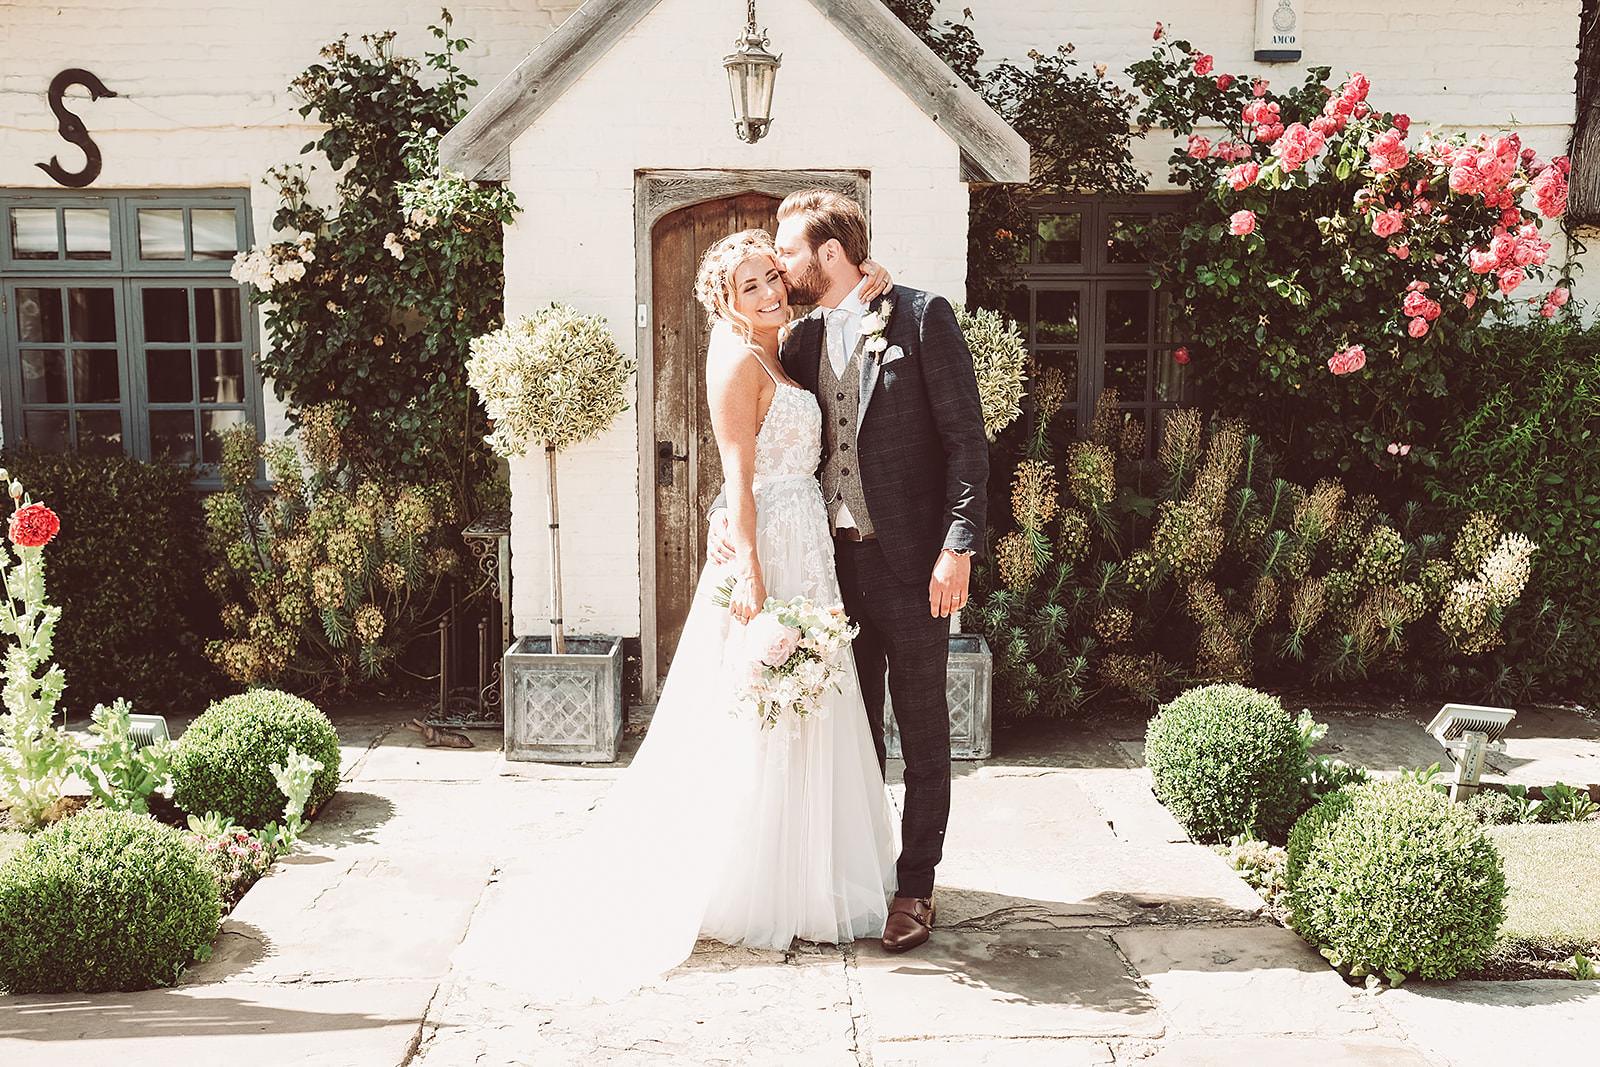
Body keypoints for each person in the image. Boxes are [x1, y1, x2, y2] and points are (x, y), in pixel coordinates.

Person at [497, 229, 901, 1001]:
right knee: (758, 700)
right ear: (725, 299)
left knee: (811, 700)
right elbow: (737, 477)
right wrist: (748, 566)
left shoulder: (786, 347)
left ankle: (813, 871)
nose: (768, 293)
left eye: (771, 280)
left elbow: (843, 304)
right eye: (749, 286)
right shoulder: (736, 360)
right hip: (770, 544)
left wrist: (875, 275)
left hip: (806, 535)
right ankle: (753, 879)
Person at [709, 189, 988, 953]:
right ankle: (858, 876)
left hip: (914, 567)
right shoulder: (794, 343)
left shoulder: (922, 317)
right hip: (829, 575)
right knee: (847, 735)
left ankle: (917, 887)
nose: (779, 265)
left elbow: (967, 442)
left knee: (925, 734)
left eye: (788, 252)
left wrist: (956, 545)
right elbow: (763, 443)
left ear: (828, 254)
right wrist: (735, 536)